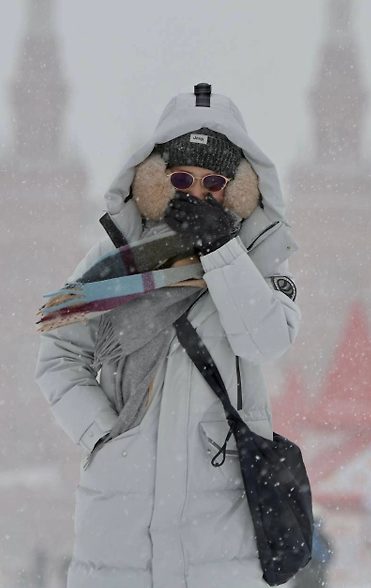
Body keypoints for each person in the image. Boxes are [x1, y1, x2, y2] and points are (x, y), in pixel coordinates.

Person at [37, 85, 301, 587]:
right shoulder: (114, 260)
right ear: (157, 181)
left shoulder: (261, 263)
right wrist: (106, 437)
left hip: (222, 531)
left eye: (214, 181)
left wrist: (223, 250)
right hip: (120, 528)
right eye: (182, 177)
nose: (197, 192)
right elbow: (59, 356)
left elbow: (264, 341)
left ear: (240, 188)